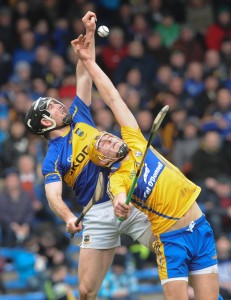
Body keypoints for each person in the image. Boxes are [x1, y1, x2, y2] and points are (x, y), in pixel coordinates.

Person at [73, 29, 220, 300]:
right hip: (171, 242)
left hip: (200, 226)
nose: (109, 139)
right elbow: (118, 198)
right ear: (104, 160)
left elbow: (113, 97)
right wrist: (119, 203)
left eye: (107, 136)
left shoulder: (135, 138)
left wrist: (90, 62)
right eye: (103, 145)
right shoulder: (118, 178)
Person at [24, 11, 153, 300]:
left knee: (170, 248)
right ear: (45, 123)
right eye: (54, 107)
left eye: (59, 103)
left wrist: (90, 35)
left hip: (129, 195)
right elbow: (53, 196)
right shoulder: (53, 158)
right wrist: (69, 217)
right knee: (85, 291)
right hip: (97, 213)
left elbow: (85, 72)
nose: (61, 106)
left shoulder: (79, 116)